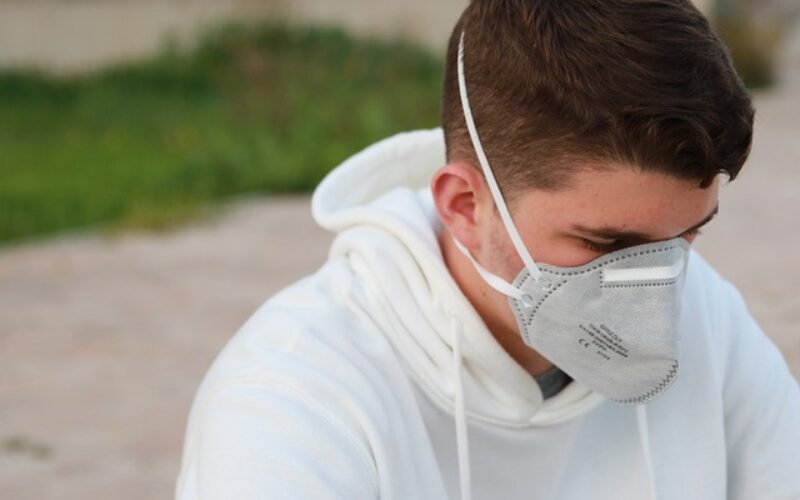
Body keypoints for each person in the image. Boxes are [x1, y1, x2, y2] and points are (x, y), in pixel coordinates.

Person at [176, 1, 800, 498]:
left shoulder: (708, 317)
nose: (654, 293)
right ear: (463, 206)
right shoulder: (292, 400)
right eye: (605, 243)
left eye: (687, 235)